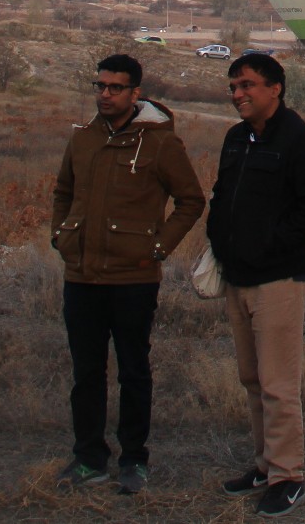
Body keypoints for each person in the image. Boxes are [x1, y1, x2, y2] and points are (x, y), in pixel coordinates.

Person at [49, 54, 204, 494]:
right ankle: (89, 458)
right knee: (86, 373)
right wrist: (61, 236)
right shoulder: (82, 139)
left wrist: (157, 247)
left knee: (134, 371)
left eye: (115, 87)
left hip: (133, 279)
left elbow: (191, 201)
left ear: (136, 92)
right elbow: (63, 191)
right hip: (81, 277)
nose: (105, 94)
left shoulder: (159, 143)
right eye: (100, 86)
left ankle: (134, 459)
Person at [209, 52, 305, 517]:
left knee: (278, 382)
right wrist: (218, 240)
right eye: (233, 87)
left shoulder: (299, 141)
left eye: (246, 85)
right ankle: (265, 466)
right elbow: (222, 194)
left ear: (275, 89)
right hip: (237, 276)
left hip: (279, 278)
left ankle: (289, 476)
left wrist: (269, 243)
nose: (238, 94)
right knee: (252, 378)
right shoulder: (235, 138)